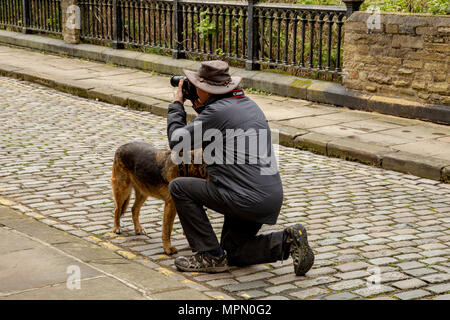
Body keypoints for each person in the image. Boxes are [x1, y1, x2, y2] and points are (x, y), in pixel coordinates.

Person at [167, 60, 314, 275]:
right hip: (267, 198)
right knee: (233, 251)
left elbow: (177, 142)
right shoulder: (247, 104)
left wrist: (177, 105)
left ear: (209, 89)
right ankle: (287, 240)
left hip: (242, 197)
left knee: (179, 187)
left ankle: (209, 256)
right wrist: (200, 105)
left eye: (197, 84)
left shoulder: (217, 112)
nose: (193, 87)